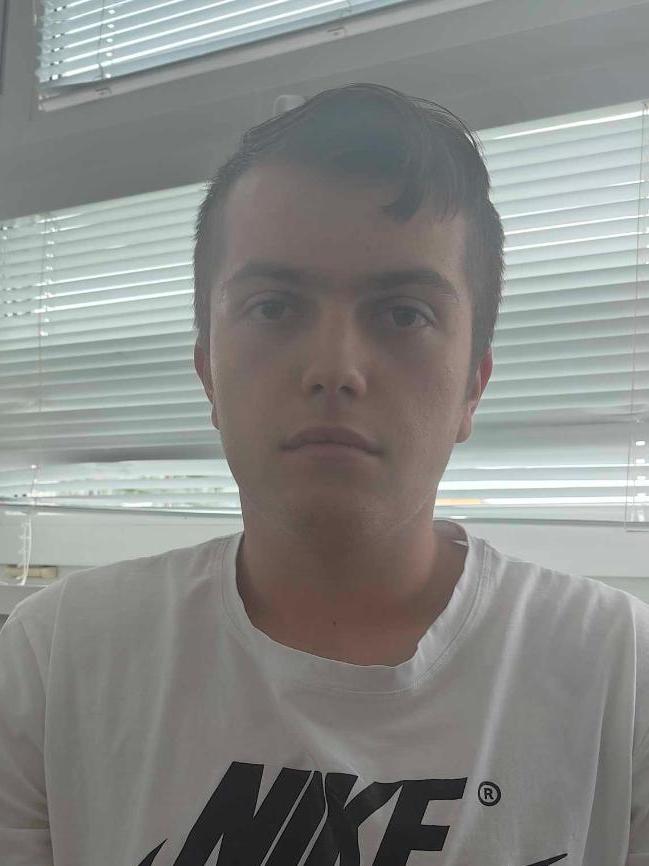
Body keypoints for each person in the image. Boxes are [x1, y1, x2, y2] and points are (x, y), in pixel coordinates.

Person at [1, 83, 648, 866]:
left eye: (403, 313)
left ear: (472, 387)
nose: (334, 368)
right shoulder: (55, 661)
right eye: (274, 307)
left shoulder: (621, 675)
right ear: (208, 371)